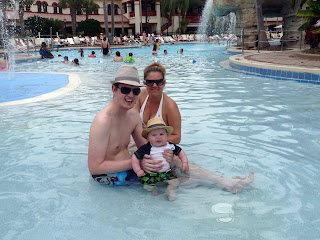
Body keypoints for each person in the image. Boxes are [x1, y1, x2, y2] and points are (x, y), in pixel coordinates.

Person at [134, 62, 254, 194]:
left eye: (159, 82)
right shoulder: (140, 97)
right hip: (138, 145)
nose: (155, 86)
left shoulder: (169, 106)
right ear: (145, 83)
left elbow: (177, 137)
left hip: (158, 146)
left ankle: (225, 182)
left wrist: (157, 143)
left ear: (164, 83)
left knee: (175, 159)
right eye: (150, 82)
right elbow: (132, 125)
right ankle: (180, 180)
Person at [88, 65, 173, 186]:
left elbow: (146, 147)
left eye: (136, 91)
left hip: (130, 167)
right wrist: (136, 162)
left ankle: (209, 185)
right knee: (161, 188)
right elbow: (95, 168)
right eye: (125, 90)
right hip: (108, 175)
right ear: (114, 89)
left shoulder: (133, 115)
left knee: (174, 173)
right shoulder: (102, 121)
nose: (131, 95)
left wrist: (164, 152)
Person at [132, 118, 189, 200]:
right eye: (154, 135)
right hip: (151, 174)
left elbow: (181, 153)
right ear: (148, 137)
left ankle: (170, 190)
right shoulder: (147, 148)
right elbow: (135, 157)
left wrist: (185, 163)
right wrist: (138, 170)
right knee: (147, 185)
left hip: (166, 172)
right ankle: (154, 188)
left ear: (167, 135)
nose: (158, 137)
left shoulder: (170, 145)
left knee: (175, 181)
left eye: (161, 134)